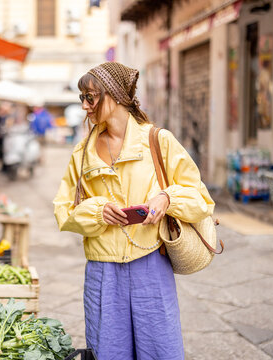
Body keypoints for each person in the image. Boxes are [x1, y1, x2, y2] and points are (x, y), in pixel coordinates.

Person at [53, 62, 214, 360]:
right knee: (107, 353)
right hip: (103, 271)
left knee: (160, 352)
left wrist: (167, 198)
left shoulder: (158, 141)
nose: (85, 107)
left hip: (151, 263)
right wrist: (97, 211)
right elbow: (63, 211)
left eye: (91, 97)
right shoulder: (82, 152)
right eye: (82, 98)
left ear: (114, 95)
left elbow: (201, 198)